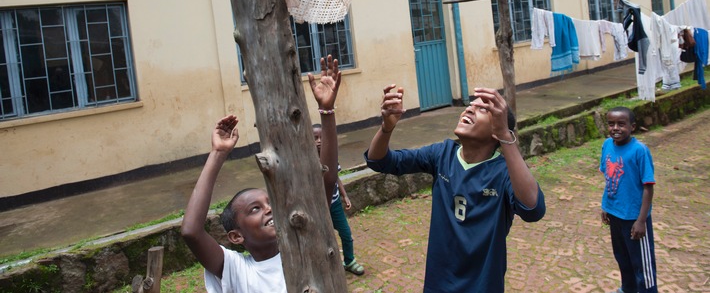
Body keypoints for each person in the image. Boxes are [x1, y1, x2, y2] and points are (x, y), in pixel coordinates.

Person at [181, 56, 341, 293]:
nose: (268, 209)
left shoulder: (303, 241)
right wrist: (218, 153)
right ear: (236, 237)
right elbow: (191, 232)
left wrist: (327, 111)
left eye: (269, 202)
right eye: (255, 209)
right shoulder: (237, 271)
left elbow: (326, 183)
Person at [364, 85, 546, 293]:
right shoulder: (442, 154)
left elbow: (533, 210)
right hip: (438, 285)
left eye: (483, 109)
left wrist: (505, 133)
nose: (469, 109)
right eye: (470, 105)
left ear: (497, 130)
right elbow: (380, 161)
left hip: (483, 286)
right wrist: (386, 127)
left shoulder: (504, 172)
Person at [601, 107, 657, 293]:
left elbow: (648, 187)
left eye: (621, 124)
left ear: (632, 127)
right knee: (622, 258)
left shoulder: (640, 151)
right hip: (615, 215)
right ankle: (628, 288)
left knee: (642, 264)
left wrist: (641, 220)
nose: (615, 128)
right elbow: (608, 179)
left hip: (634, 218)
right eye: (611, 124)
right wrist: (605, 205)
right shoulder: (607, 145)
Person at [313, 124, 365, 276]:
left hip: (334, 204)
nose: (319, 141)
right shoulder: (306, 161)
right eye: (315, 138)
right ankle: (322, 267)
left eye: (322, 137)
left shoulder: (331, 156)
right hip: (318, 207)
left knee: (346, 233)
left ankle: (349, 261)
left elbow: (335, 177)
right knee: (321, 237)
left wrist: (344, 195)